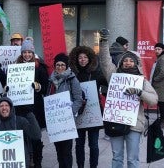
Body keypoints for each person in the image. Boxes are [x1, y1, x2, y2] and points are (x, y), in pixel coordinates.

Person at [99, 28, 158, 168]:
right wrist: (104, 42)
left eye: (131, 61)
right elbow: (105, 61)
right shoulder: (113, 76)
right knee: (117, 158)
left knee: (132, 159)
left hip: (134, 124)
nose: (127, 63)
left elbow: (154, 99)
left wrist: (139, 92)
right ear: (121, 63)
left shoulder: (141, 80)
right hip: (116, 121)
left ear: (136, 64)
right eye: (125, 60)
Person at [69, 46, 107, 168]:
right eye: (80, 57)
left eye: (85, 57)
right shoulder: (71, 74)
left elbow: (108, 82)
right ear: (76, 59)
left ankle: (93, 166)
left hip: (93, 113)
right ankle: (80, 166)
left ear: (90, 59)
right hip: (77, 113)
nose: (83, 60)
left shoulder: (96, 72)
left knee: (94, 144)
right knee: (79, 144)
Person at [13, 38, 47, 168]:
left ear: (33, 53)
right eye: (24, 52)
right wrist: (8, 88)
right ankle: (24, 160)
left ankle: (37, 162)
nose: (27, 55)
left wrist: (38, 87)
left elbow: (45, 86)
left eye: (29, 52)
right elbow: (10, 83)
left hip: (35, 107)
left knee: (36, 136)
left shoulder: (40, 67)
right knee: (22, 135)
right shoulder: (15, 67)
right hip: (20, 107)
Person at [0, 97, 39, 167]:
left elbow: (36, 135)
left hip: (20, 163)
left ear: (11, 108)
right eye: (1, 106)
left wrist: (30, 114)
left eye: (6, 105)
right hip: (1, 163)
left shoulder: (21, 121)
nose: (4, 108)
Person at [47, 53, 84, 168]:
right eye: (57, 65)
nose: (60, 67)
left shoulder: (72, 79)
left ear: (67, 66)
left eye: (63, 65)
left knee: (66, 151)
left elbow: (78, 99)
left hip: (67, 120)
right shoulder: (50, 80)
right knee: (58, 150)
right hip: (55, 121)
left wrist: (69, 113)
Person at [151, 43, 164, 123]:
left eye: (159, 49)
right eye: (155, 49)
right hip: (160, 86)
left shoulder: (162, 59)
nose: (157, 51)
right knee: (161, 103)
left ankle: (162, 120)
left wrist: (155, 79)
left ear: (163, 50)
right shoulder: (160, 58)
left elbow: (163, 72)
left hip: (161, 86)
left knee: (162, 103)